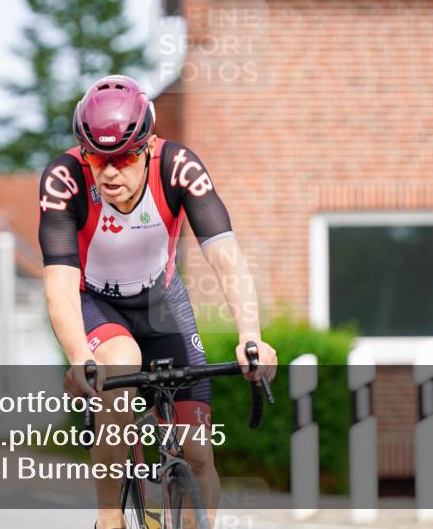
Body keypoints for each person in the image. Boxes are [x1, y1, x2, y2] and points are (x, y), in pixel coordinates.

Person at [38, 74, 278, 529]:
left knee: (198, 453)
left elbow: (226, 257)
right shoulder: (64, 180)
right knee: (121, 362)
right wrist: (78, 355)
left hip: (161, 301)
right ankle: (110, 517)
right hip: (97, 302)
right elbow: (61, 285)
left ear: (147, 147)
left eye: (124, 157)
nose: (109, 173)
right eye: (98, 157)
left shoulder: (178, 166)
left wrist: (251, 336)